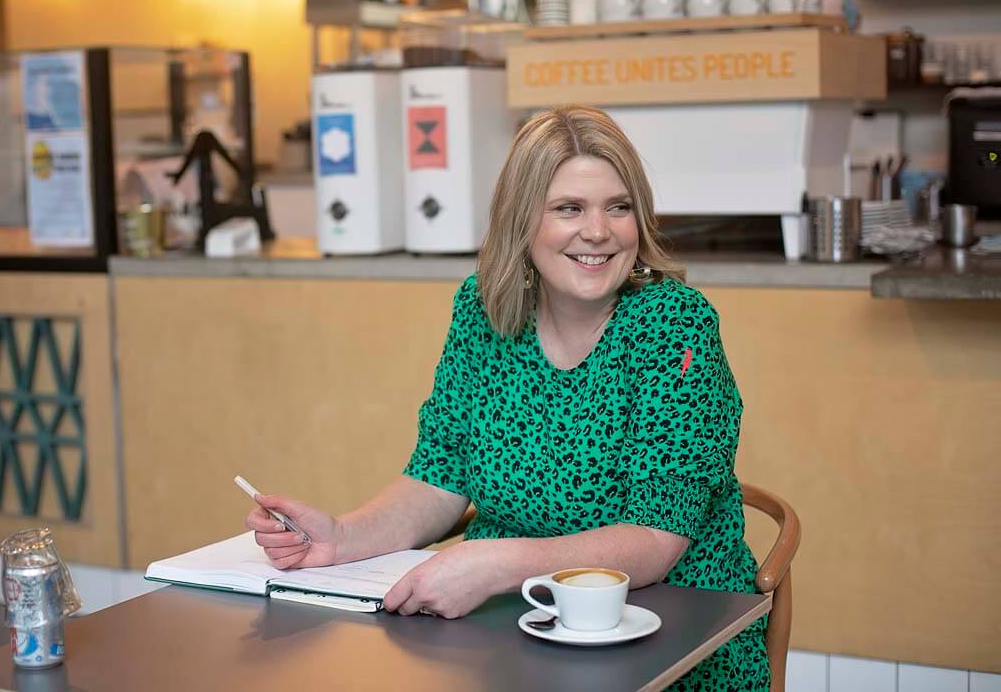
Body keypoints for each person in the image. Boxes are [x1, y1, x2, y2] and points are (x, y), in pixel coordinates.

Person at [245, 106, 768, 691]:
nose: (598, 231)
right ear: (523, 221)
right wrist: (341, 536)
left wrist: (495, 565)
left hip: (672, 638)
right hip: (511, 629)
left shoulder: (674, 327)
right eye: (569, 208)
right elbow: (439, 475)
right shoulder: (483, 311)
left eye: (617, 207)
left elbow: (656, 539)